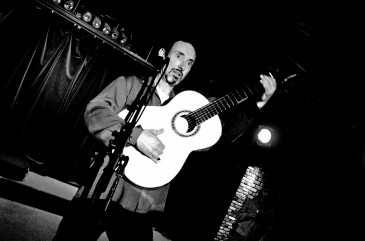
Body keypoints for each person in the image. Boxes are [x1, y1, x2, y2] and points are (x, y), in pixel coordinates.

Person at [53, 39, 277, 241]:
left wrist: (257, 105)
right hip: (101, 189)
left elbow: (218, 136)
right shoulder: (131, 85)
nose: (182, 65)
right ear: (164, 54)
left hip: (143, 204)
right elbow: (96, 111)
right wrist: (137, 136)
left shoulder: (187, 107)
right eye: (179, 55)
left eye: (189, 63)